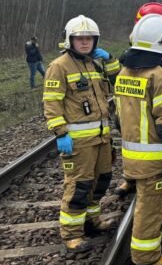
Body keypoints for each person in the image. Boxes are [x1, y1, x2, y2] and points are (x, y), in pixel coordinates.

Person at [116, 14, 162, 265]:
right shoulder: (159, 76)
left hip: (133, 157)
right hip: (156, 160)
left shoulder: (124, 72)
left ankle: (161, 240)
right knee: (150, 210)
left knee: (160, 204)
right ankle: (146, 257)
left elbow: (119, 117)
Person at [42, 15, 119, 252]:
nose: (85, 43)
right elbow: (52, 102)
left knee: (100, 182)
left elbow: (117, 81)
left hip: (101, 138)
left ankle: (92, 221)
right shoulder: (59, 66)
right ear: (70, 40)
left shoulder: (94, 64)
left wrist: (111, 60)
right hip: (78, 142)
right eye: (80, 39)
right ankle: (72, 234)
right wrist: (60, 132)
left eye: (89, 39)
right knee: (79, 186)